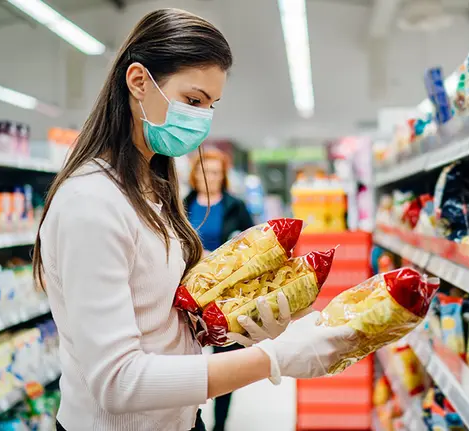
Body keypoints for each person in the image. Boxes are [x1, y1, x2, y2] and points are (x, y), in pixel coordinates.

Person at [33, 8, 355, 431]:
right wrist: (271, 361)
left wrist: (241, 324)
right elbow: (118, 382)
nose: (202, 118)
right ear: (138, 82)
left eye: (211, 105)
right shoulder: (91, 202)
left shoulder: (151, 187)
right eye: (193, 101)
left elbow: (159, 319)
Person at [184, 149, 254, 431]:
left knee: (227, 358)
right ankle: (191, 413)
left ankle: (219, 424)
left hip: (228, 297)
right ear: (194, 175)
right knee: (188, 357)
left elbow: (253, 243)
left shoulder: (236, 207)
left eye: (215, 172)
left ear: (223, 177)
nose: (209, 177)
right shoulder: (183, 204)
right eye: (203, 171)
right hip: (191, 295)